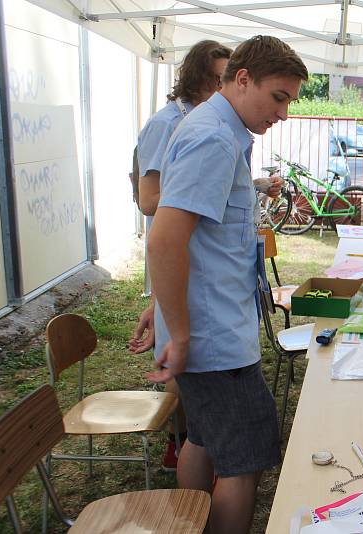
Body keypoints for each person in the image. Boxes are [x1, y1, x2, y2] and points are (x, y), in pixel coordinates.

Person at [146, 35, 308, 534]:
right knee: (244, 461)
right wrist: (183, 332)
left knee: (203, 438)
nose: (282, 113)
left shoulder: (219, 131)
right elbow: (165, 240)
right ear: (242, 79)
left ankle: (189, 525)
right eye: (278, 97)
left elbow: (191, 241)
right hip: (213, 337)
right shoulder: (214, 138)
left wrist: (170, 317)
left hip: (212, 326)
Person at [128, 39, 232, 471]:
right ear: (197, 77)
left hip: (196, 258)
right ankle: (179, 441)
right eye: (218, 78)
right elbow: (147, 198)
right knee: (180, 364)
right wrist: (191, 195)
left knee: (191, 364)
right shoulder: (166, 122)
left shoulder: (207, 120)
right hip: (176, 252)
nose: (224, 87)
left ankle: (192, 439)